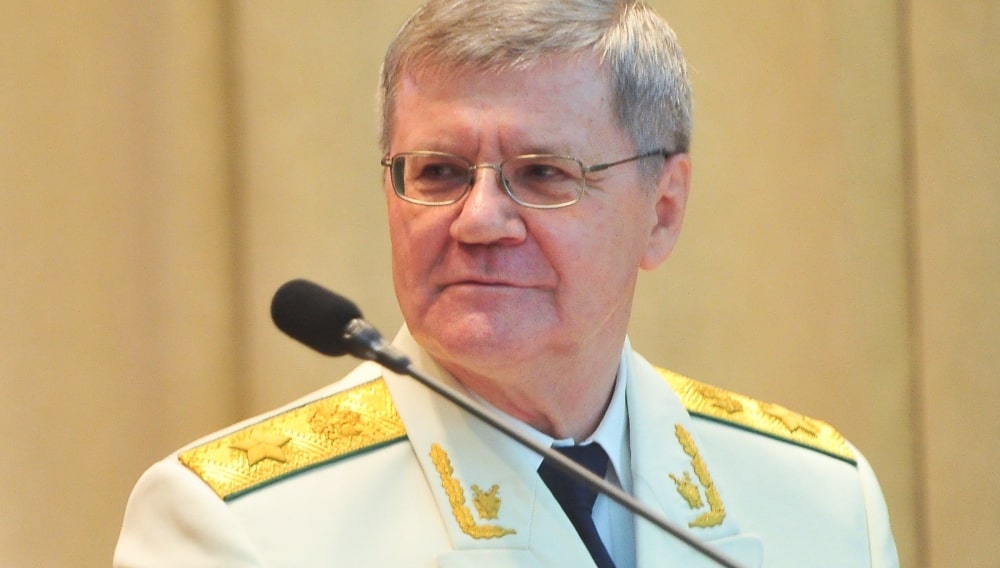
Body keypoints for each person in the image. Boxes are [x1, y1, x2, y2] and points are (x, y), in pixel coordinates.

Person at [114, 1, 899, 566]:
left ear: (662, 211)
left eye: (543, 173)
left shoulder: (822, 499)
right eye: (440, 172)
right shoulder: (236, 525)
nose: (480, 219)